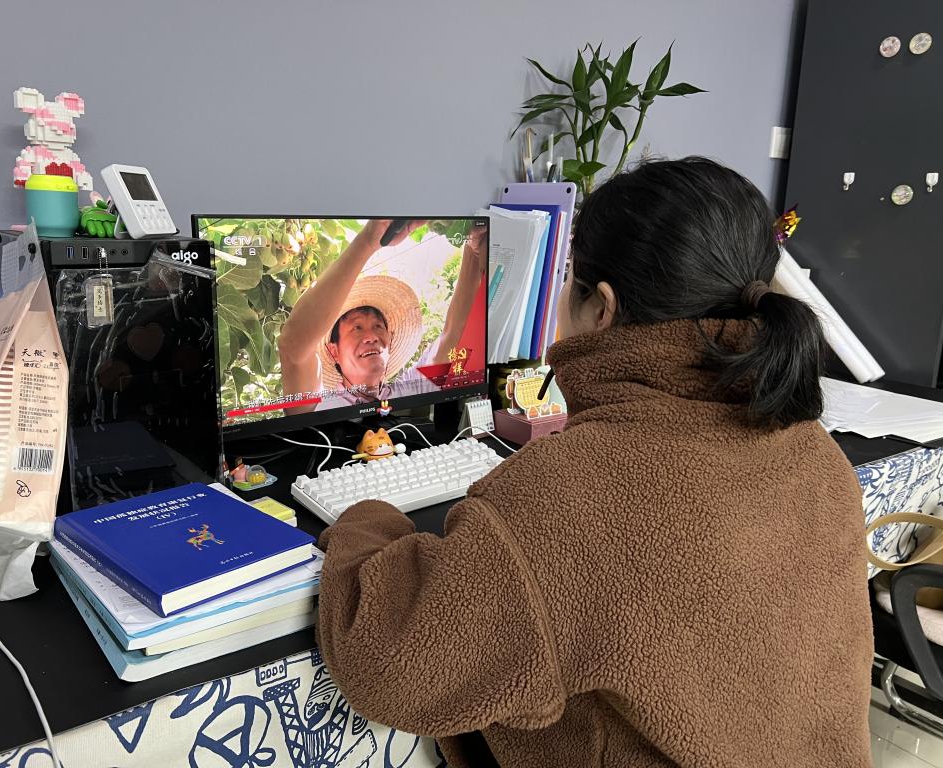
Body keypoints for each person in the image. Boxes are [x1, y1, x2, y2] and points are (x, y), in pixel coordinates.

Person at [316, 158, 873, 767]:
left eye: (566, 276)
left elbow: (391, 666)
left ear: (602, 309)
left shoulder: (569, 493)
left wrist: (365, 516)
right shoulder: (818, 454)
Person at [277, 219, 485, 412]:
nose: (372, 336)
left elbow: (454, 334)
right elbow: (293, 347)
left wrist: (473, 245)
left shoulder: (406, 392)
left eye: (378, 326)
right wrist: (369, 241)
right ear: (334, 351)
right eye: (357, 328)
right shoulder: (321, 407)